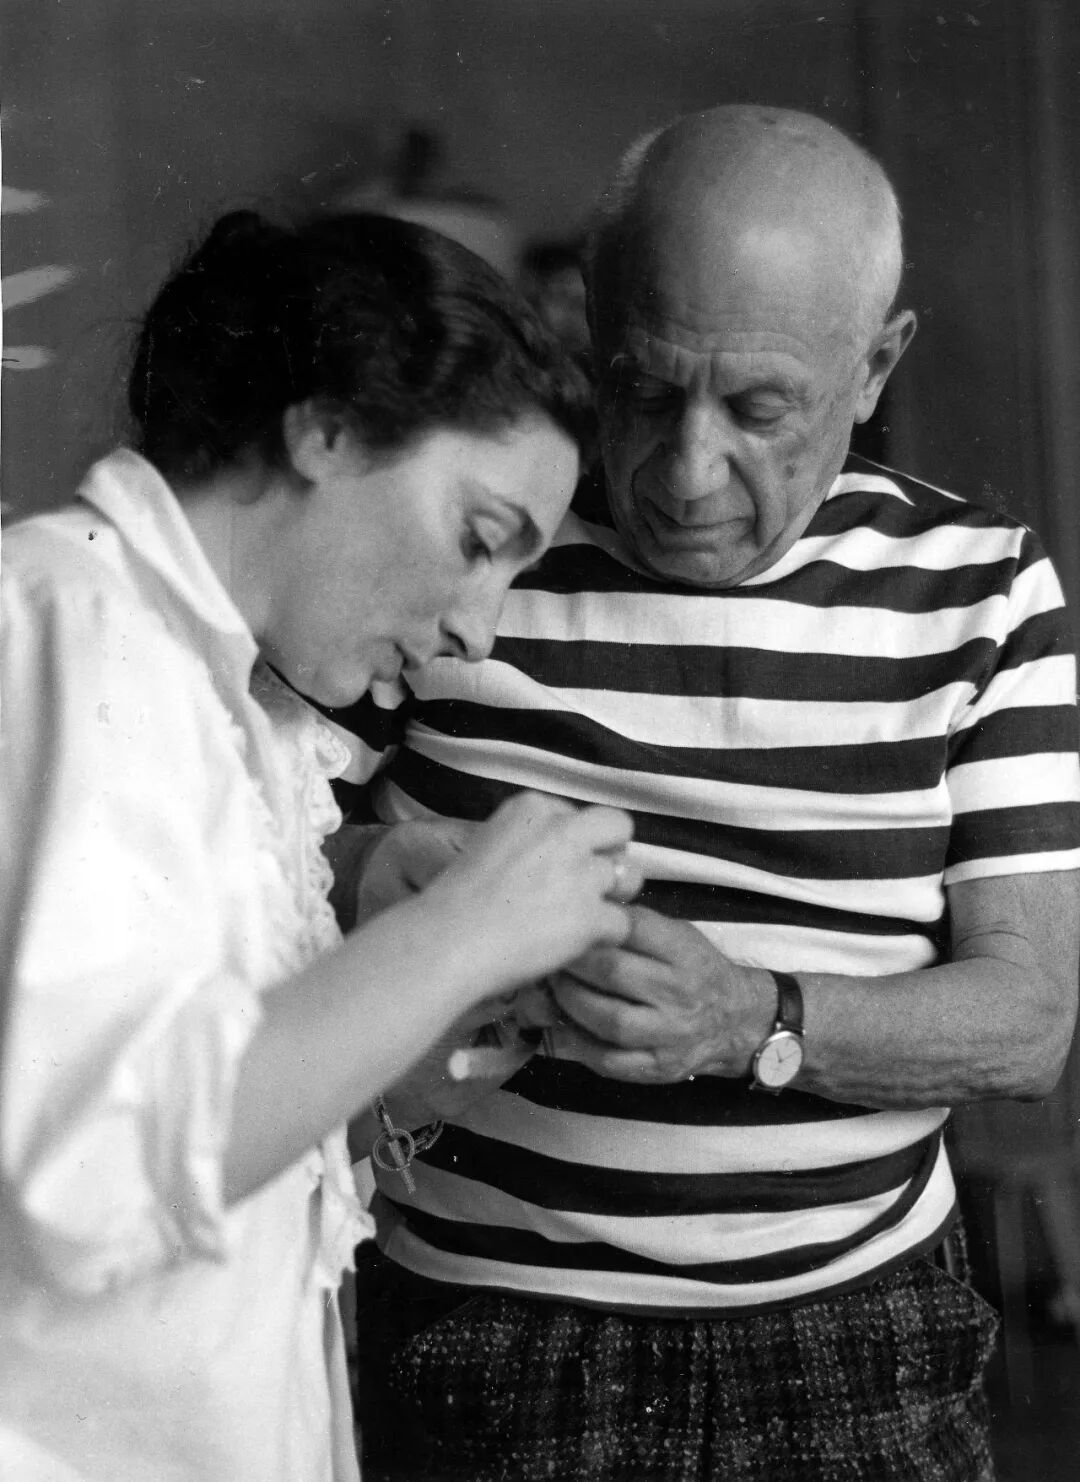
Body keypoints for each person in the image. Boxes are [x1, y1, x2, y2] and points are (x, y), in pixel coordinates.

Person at [332, 107, 1080, 1481]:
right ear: (584, 319)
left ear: (876, 366)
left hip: (859, 1330)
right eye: (640, 386)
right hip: (483, 1331)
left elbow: (1029, 1023)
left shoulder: (983, 592)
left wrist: (751, 1021)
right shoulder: (467, 539)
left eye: (758, 411)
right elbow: (244, 855)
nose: (685, 472)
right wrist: (397, 885)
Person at [0, 208, 644, 1482]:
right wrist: (458, 937)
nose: (477, 635)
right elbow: (88, 1179)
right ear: (329, 428)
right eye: (479, 541)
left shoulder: (220, 695)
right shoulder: (74, 624)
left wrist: (408, 998)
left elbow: (209, 1149)